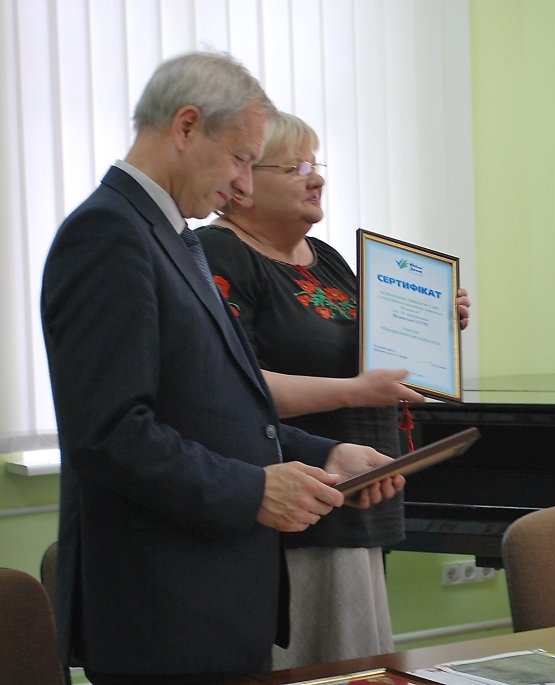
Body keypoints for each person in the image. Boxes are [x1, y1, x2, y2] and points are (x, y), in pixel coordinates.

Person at [40, 52, 403, 685]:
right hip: (163, 610)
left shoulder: (168, 233)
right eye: (239, 158)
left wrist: (325, 453)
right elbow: (111, 433)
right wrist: (253, 490)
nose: (242, 186)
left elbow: (217, 404)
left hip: (215, 602)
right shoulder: (107, 233)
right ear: (186, 126)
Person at [196, 111, 471, 667]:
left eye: (315, 164)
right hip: (293, 503)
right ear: (243, 183)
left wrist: (434, 328)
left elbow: (376, 359)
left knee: (360, 663)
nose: (316, 178)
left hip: (363, 492)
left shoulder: (331, 260)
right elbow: (232, 387)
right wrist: (354, 390)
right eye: (295, 168)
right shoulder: (219, 254)